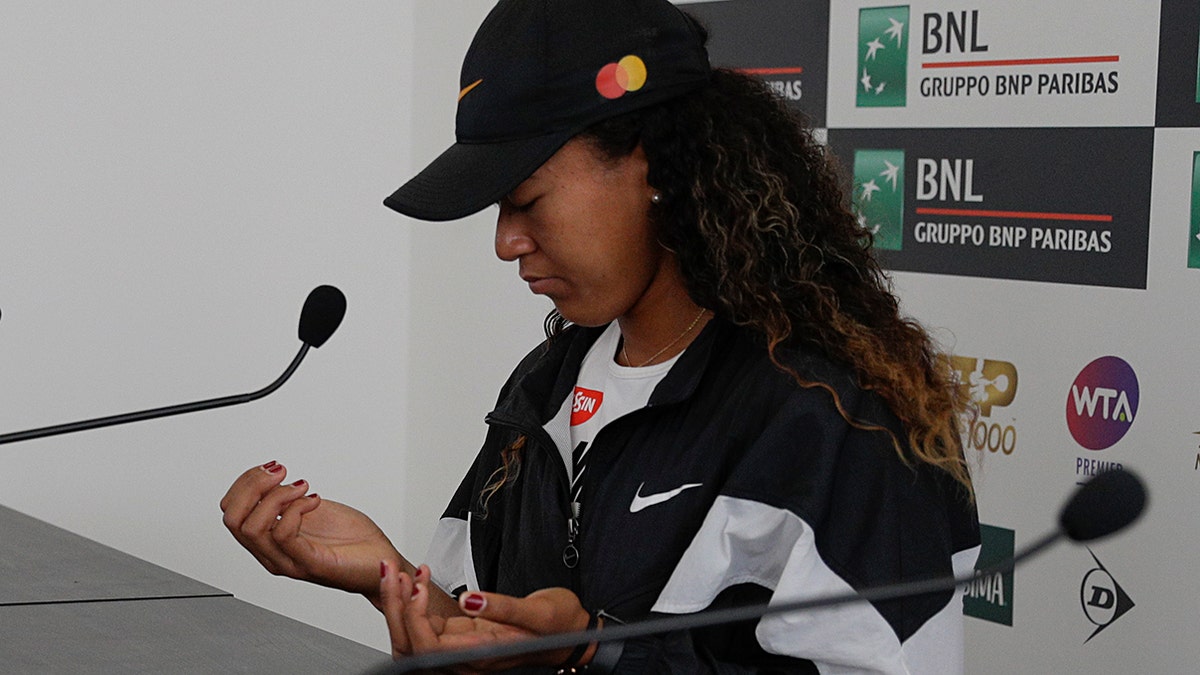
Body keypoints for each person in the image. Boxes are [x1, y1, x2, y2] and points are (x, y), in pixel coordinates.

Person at [219, 1, 981, 672]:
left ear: (656, 165)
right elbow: (486, 625)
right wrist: (386, 571)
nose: (506, 241)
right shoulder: (545, 383)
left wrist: (594, 647)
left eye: (526, 199)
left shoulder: (834, 415)